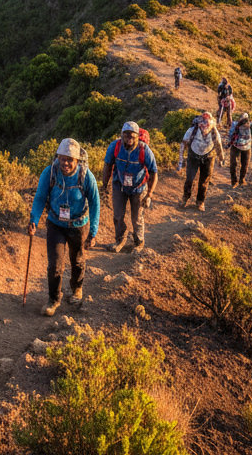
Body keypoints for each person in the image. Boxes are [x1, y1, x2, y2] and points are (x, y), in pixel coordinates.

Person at [28, 138, 100, 316]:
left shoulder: (86, 176)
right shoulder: (50, 173)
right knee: (55, 265)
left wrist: (93, 231)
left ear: (77, 160)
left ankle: (76, 288)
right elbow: (40, 197)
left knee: (77, 260)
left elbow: (94, 203)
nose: (65, 163)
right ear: (57, 157)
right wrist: (33, 220)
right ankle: (53, 299)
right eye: (62, 159)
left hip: (78, 225)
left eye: (69, 160)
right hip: (56, 224)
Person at [101, 121, 158, 252]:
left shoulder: (144, 150)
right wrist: (104, 185)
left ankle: (139, 243)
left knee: (137, 217)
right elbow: (108, 165)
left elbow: (154, 172)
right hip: (119, 185)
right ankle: (120, 240)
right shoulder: (115, 146)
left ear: (137, 135)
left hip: (139, 188)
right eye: (126, 134)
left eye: (132, 134)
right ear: (122, 134)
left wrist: (149, 195)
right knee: (118, 216)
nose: (129, 137)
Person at [179, 112, 225, 212]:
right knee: (189, 178)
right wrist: (181, 160)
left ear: (211, 124)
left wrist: (221, 159)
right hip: (193, 156)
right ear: (199, 124)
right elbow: (183, 144)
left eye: (207, 125)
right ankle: (185, 198)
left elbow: (218, 145)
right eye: (202, 124)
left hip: (208, 157)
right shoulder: (192, 130)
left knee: (204, 181)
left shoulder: (214, 132)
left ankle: (200, 202)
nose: (204, 127)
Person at [228, 112, 252, 187]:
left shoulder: (235, 124)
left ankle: (234, 181)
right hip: (247, 147)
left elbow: (230, 134)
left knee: (233, 164)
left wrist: (231, 142)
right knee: (245, 164)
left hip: (235, 146)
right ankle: (242, 180)